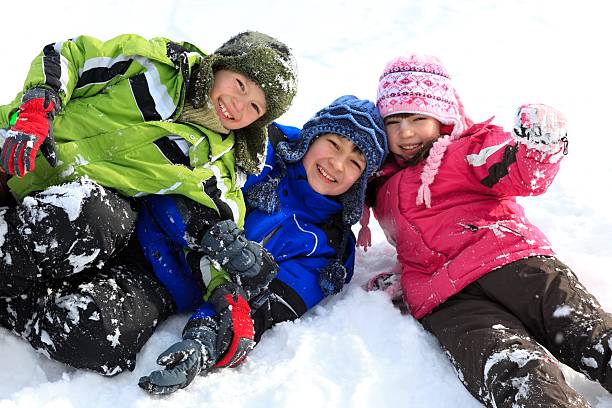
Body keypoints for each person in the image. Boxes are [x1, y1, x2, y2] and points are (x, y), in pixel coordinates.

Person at [0, 31, 297, 375]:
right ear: (221, 65)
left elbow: (217, 237)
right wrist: (40, 104)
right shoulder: (158, 66)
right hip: (21, 145)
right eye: (241, 85)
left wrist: (228, 297)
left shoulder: (218, 166)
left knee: (97, 218)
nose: (238, 105)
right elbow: (70, 56)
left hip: (60, 202)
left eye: (255, 107)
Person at [364, 54, 612, 407]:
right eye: (394, 121)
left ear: (443, 117)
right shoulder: (380, 184)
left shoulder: (468, 149)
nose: (405, 132)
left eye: (418, 118)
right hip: (447, 299)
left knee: (584, 330)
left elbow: (514, 168)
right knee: (511, 369)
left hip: (513, 263)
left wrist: (537, 149)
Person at [136, 95, 388, 394]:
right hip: (136, 218)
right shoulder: (260, 146)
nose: (337, 163)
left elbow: (260, 309)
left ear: (360, 181)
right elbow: (183, 181)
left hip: (165, 285)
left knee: (95, 333)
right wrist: (212, 235)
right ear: (312, 135)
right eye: (334, 144)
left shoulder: (329, 251)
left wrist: (206, 340)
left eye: (355, 162)